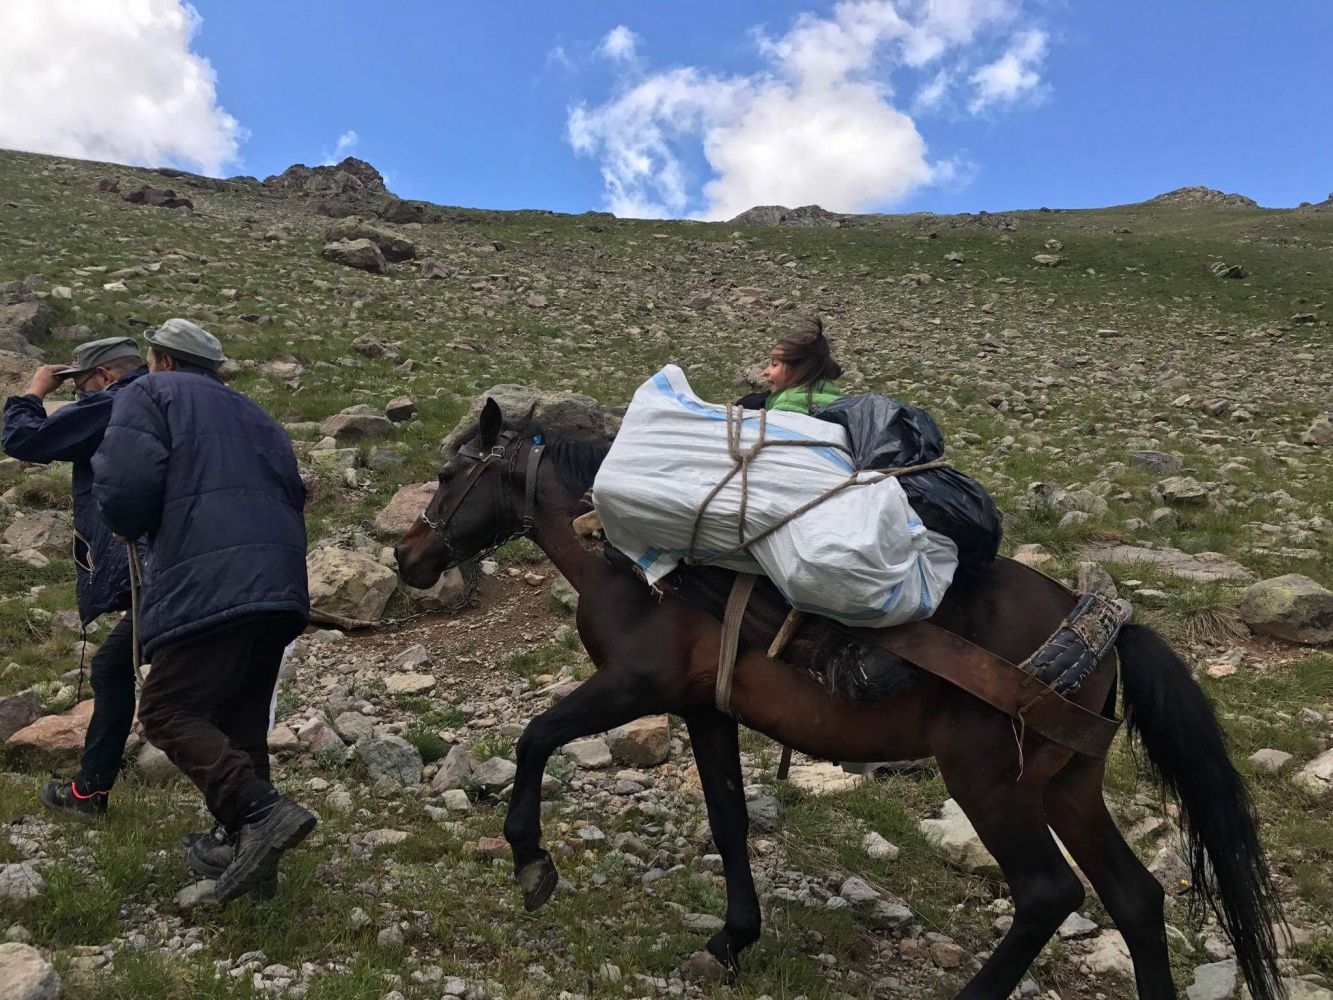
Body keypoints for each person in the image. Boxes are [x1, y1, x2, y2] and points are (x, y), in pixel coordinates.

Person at [91, 319, 315, 905]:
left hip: (208, 577)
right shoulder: (257, 413)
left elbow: (125, 486)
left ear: (162, 360)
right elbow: (295, 490)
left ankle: (261, 812)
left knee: (168, 710)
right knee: (241, 719)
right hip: (281, 581)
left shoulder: (149, 393)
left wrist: (124, 524)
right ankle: (252, 859)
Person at [1, 338, 156, 817]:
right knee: (116, 666)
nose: (79, 396)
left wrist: (34, 391)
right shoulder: (166, 399)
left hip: (162, 571)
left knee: (129, 675)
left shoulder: (117, 402)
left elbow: (24, 439)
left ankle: (249, 806)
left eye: (81, 385)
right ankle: (91, 791)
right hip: (184, 564)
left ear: (106, 376)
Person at [738, 315, 843, 415]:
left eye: (774, 365)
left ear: (799, 369)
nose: (765, 372)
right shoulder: (839, 401)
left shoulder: (787, 404)